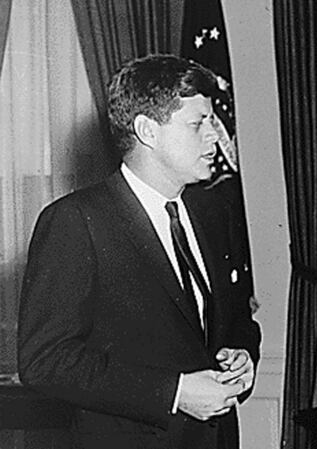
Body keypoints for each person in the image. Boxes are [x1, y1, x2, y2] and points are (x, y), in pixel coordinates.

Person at [17, 54, 261, 449]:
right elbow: (45, 360)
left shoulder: (214, 213)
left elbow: (236, 322)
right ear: (148, 130)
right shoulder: (76, 221)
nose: (216, 137)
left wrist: (243, 357)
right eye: (199, 124)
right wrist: (175, 393)